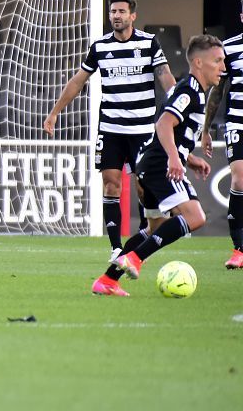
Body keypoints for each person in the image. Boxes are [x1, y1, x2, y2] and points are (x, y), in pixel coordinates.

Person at [44, 0, 176, 262]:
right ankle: (116, 247)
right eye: (113, 11)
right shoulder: (100, 46)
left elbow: (164, 75)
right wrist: (54, 113)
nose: (116, 15)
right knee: (111, 184)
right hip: (112, 129)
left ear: (132, 16)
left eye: (121, 11)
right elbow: (77, 81)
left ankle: (145, 231)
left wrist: (177, 105)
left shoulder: (148, 43)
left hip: (142, 129)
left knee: (142, 187)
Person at [89, 34, 223, 295]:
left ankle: (106, 281)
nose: (223, 66)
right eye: (217, 61)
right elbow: (163, 124)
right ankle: (134, 259)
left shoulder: (192, 90)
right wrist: (174, 158)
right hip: (160, 164)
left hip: (150, 163)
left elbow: (173, 130)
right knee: (195, 217)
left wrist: (188, 157)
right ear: (198, 62)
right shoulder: (189, 90)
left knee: (154, 228)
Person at [201, 0, 243, 270]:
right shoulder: (229, 49)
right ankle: (239, 249)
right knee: (240, 178)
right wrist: (205, 129)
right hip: (238, 123)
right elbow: (217, 90)